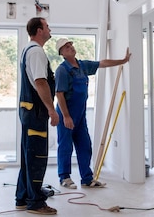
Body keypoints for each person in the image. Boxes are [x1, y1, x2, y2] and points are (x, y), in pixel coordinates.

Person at [54, 38, 131, 189]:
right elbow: (59, 94)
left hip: (80, 115)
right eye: (66, 47)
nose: (70, 47)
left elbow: (102, 63)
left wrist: (123, 60)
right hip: (67, 114)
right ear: (61, 53)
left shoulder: (82, 65)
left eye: (71, 45)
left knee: (85, 145)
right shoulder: (62, 70)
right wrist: (67, 116)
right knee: (65, 146)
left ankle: (87, 179)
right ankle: (64, 177)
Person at [15, 17, 60, 215]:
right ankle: (35, 202)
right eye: (47, 26)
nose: (50, 29)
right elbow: (40, 82)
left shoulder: (28, 50)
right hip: (36, 111)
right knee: (36, 157)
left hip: (29, 109)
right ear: (39, 30)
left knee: (28, 156)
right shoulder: (36, 52)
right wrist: (51, 109)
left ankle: (23, 197)